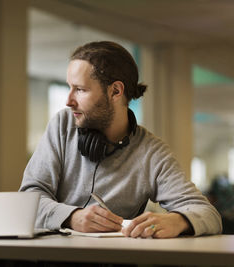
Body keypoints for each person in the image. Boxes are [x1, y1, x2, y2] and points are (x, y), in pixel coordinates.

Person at [19, 41, 222, 238]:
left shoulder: (151, 152)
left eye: (80, 89)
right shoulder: (62, 125)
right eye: (69, 87)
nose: (69, 101)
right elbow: (28, 200)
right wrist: (72, 217)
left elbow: (208, 213)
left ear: (115, 91)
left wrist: (179, 220)